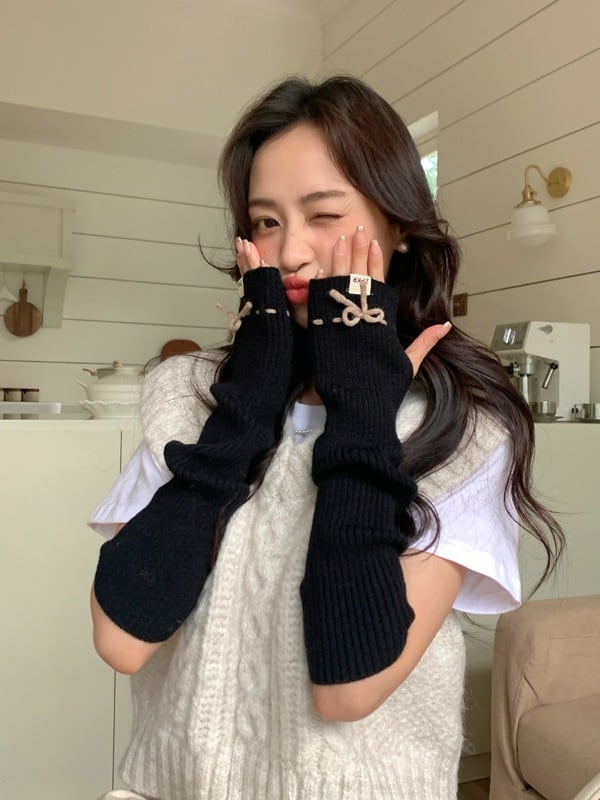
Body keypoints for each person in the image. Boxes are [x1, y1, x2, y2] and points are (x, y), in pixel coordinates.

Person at [89, 75, 563, 800]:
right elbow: (123, 641)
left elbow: (349, 689)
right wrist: (245, 409)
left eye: (324, 215)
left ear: (399, 227)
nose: (291, 252)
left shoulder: (462, 427)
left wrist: (362, 412)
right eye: (266, 221)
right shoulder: (186, 396)